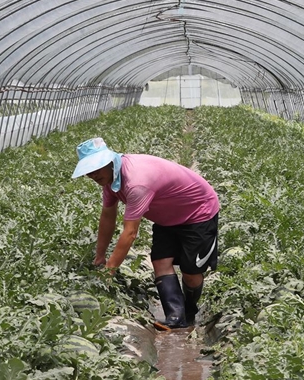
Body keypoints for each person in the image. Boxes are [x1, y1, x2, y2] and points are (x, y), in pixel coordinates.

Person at [72, 138, 220, 330]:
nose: (92, 175)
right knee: (160, 262)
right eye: (88, 171)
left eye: (96, 168)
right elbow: (108, 217)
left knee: (191, 272)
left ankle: (190, 310)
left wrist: (109, 271)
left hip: (198, 212)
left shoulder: (136, 183)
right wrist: (99, 256)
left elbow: (130, 232)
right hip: (166, 216)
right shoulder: (110, 181)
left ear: (109, 161)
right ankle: (176, 317)